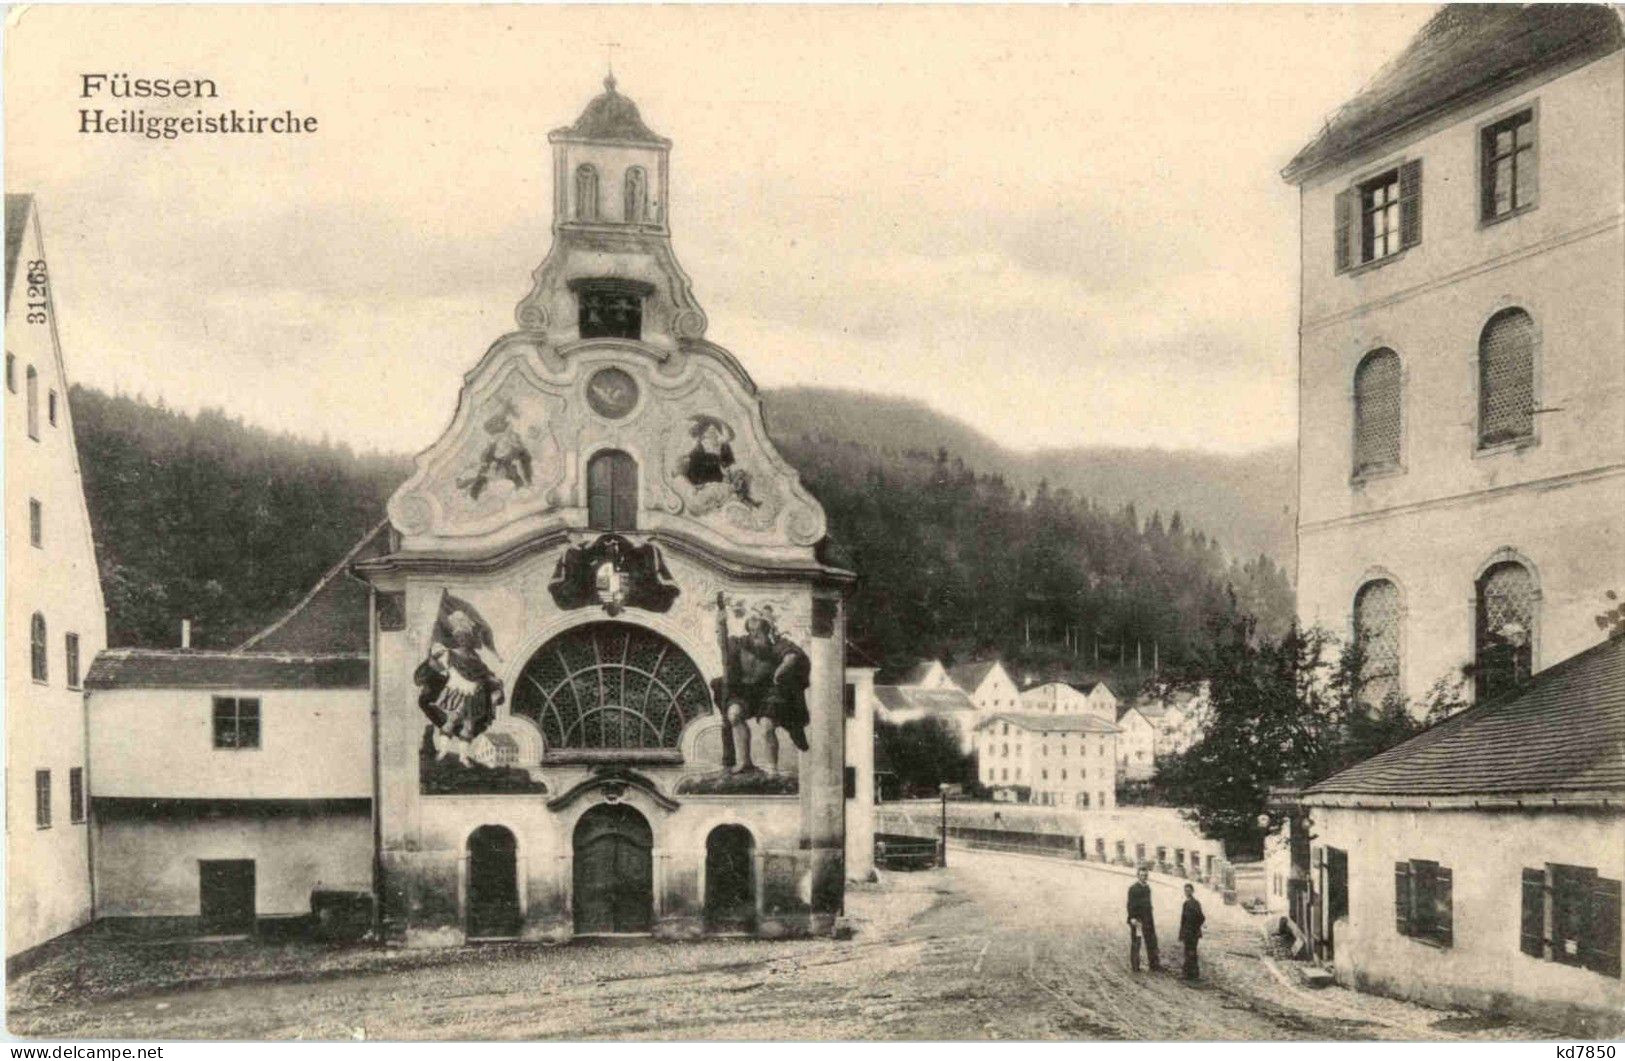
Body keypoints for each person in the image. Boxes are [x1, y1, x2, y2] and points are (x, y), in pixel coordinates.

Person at [1127, 865, 1161, 972]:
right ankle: (1135, 966)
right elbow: (1130, 904)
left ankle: (1154, 965)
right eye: (1142, 875)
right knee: (1137, 942)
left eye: (1145, 875)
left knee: (1151, 941)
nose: (1144, 877)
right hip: (1138, 921)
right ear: (1138, 876)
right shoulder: (1133, 888)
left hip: (1148, 920)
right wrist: (1132, 917)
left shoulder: (1147, 888)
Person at [1179, 883, 1206, 980]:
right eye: (1186, 891)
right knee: (1189, 952)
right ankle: (1190, 973)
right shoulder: (1186, 904)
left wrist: (1195, 927)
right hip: (1188, 932)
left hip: (1192, 932)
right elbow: (1183, 920)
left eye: (1189, 890)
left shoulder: (1195, 903)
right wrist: (1182, 933)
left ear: (1192, 891)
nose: (1187, 892)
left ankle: (1191, 974)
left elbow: (1202, 917)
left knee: (1191, 952)